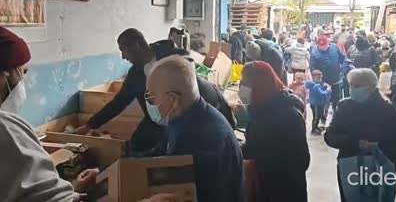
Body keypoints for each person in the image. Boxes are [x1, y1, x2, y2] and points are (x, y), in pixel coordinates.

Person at [74, 28, 236, 152]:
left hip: (189, 114)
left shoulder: (174, 56)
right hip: (162, 116)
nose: (123, 56)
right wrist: (90, 125)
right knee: (137, 145)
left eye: (124, 50)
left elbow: (189, 76)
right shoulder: (136, 74)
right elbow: (119, 102)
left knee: (186, 149)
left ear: (136, 46)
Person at [0, 27, 100, 201]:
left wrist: (71, 188)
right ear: (3, 76)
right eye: (22, 73)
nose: (23, 83)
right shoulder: (6, 130)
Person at [146, 55, 243, 202]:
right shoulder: (184, 116)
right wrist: (117, 167)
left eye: (151, 96)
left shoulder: (199, 141)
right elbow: (156, 155)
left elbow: (187, 195)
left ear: (172, 99)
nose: (148, 101)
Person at [324, 68, 396, 202]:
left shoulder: (386, 108)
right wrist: (356, 143)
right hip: (349, 163)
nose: (352, 89)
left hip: (380, 165)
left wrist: (378, 145)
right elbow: (330, 136)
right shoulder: (344, 106)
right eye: (351, 85)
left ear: (370, 87)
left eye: (357, 86)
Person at [239, 61, 310, 202]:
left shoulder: (288, 115)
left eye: (245, 82)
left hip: (283, 191)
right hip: (265, 186)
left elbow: (302, 160)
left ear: (261, 84)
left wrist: (256, 155)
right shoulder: (261, 107)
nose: (242, 86)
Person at [310, 34, 345, 113]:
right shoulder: (314, 53)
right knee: (323, 101)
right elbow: (312, 67)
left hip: (336, 79)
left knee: (336, 100)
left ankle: (337, 116)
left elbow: (342, 58)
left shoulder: (335, 48)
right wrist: (317, 80)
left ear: (328, 43)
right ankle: (322, 118)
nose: (323, 49)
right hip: (324, 81)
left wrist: (343, 68)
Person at [305, 70, 332, 134]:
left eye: (320, 78)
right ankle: (313, 129)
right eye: (318, 78)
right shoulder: (316, 86)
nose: (320, 80)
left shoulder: (314, 84)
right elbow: (322, 93)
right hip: (316, 103)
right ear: (313, 78)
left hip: (317, 103)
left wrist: (324, 86)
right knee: (316, 117)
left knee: (318, 116)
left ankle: (316, 127)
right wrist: (328, 90)